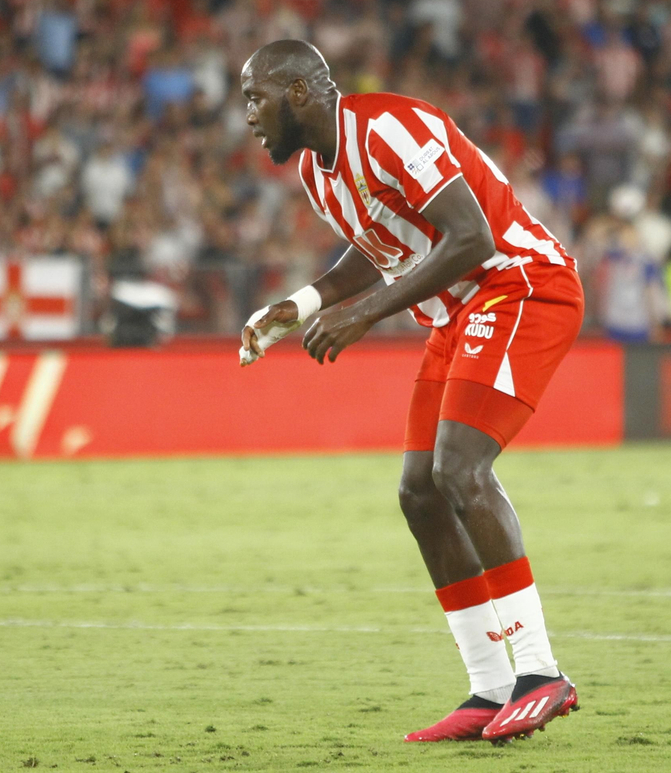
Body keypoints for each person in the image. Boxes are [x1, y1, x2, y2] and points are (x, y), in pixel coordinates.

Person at [237, 40, 582, 744]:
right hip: (462, 311)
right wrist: (300, 305)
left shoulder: (389, 128)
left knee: (459, 470)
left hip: (520, 285)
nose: (248, 116)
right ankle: (490, 688)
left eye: (255, 97)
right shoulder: (317, 171)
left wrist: (365, 314)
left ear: (300, 92)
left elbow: (472, 236)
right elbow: (377, 248)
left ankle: (540, 673)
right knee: (419, 491)